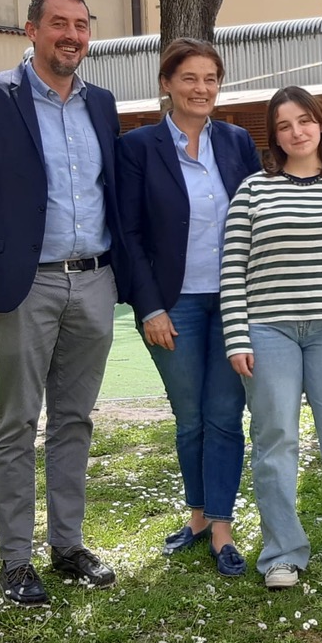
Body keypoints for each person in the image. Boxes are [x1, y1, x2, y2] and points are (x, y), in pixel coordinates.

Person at [0, 0, 129, 605]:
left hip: (94, 281)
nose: (72, 35)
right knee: (17, 422)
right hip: (23, 284)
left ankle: (67, 547)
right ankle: (16, 561)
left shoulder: (102, 103)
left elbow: (114, 188)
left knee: (75, 420)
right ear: (32, 30)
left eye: (81, 25)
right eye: (59, 23)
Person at [220, 86, 322, 590]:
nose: (297, 132)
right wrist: (237, 337)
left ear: (321, 124)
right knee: (275, 441)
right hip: (268, 331)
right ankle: (282, 553)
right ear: (274, 136)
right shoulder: (253, 190)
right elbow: (233, 267)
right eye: (284, 125)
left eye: (305, 121)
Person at [116, 39, 261, 576]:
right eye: (190, 78)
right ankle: (197, 516)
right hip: (172, 304)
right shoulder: (138, 147)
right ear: (166, 84)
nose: (202, 89)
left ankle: (221, 525)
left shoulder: (237, 141)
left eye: (210, 79)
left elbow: (263, 206)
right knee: (191, 416)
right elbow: (128, 234)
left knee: (225, 413)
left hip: (236, 300)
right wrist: (149, 307)